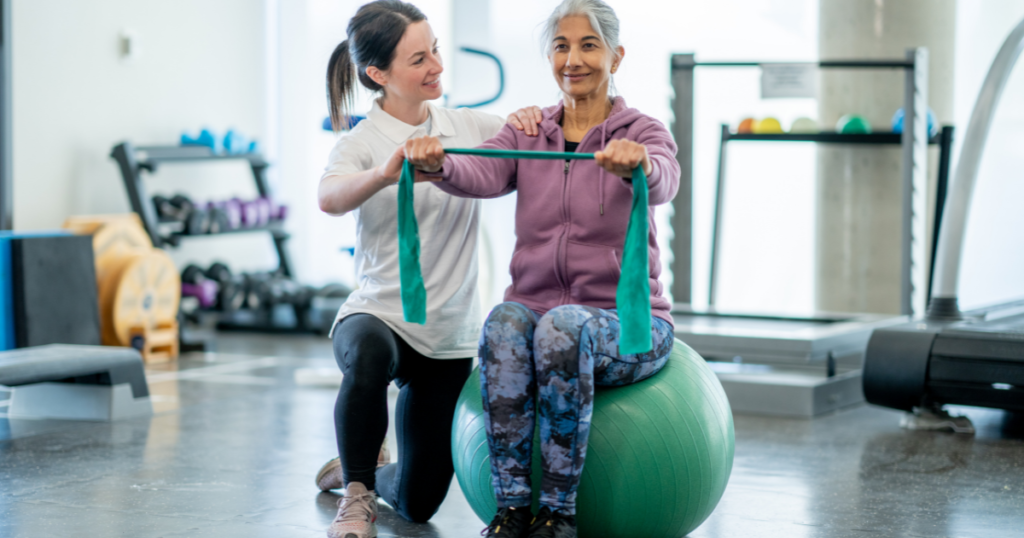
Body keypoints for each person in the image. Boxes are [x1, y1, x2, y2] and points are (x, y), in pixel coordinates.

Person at [403, 1, 680, 536]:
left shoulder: (642, 131)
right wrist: (438, 162)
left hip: (628, 328)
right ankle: (510, 510)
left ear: (616, 56)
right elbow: (479, 168)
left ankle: (557, 516)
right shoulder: (528, 131)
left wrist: (639, 164)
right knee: (506, 321)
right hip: (540, 317)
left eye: (588, 45)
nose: (573, 58)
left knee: (561, 329)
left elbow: (666, 178)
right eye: (561, 46)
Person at [315, 2, 541, 537]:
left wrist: (534, 119)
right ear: (379, 74)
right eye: (419, 58)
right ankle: (356, 493)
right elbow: (328, 197)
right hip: (379, 314)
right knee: (367, 355)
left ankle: (359, 470)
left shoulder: (467, 126)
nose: (437, 65)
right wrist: (383, 173)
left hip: (447, 334)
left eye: (435, 49)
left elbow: (531, 139)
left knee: (418, 504)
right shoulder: (360, 143)